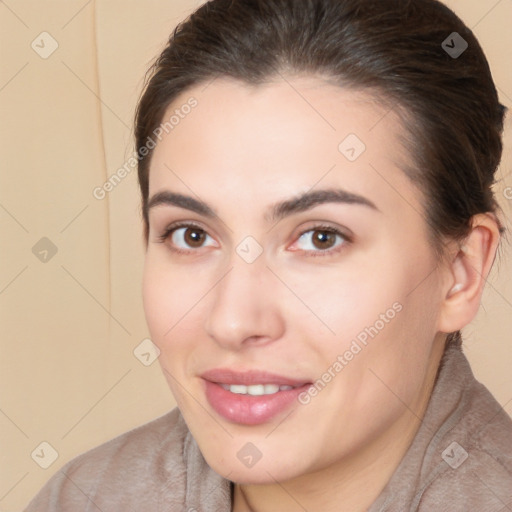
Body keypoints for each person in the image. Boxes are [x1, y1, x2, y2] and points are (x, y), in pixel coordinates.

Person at [25, 0, 512, 510]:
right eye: (191, 235)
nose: (233, 322)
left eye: (320, 238)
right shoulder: (82, 498)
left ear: (460, 274)